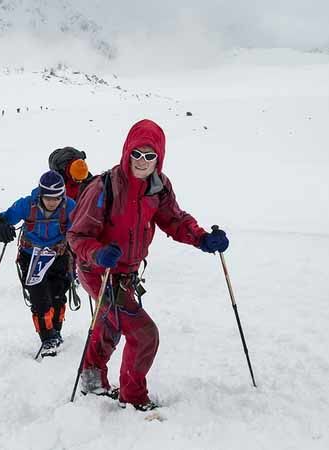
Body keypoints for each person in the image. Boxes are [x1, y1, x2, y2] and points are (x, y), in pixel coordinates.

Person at [68, 119, 229, 411]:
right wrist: (99, 252)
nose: (142, 161)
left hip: (126, 273)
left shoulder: (159, 187)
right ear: (126, 152)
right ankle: (132, 396)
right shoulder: (103, 187)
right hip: (98, 272)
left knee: (111, 323)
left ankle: (91, 378)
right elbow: (76, 236)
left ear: (159, 157)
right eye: (136, 154)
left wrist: (203, 238)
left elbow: (175, 220)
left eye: (149, 155)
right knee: (144, 334)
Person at [0, 171, 75, 356]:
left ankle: (56, 330)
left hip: (58, 257)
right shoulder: (27, 204)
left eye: (57, 197)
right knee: (40, 299)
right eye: (48, 197)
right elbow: (2, 218)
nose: (53, 201)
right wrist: (1, 226)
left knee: (58, 296)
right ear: (40, 193)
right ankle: (48, 338)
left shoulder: (70, 207)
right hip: (31, 258)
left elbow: (83, 225)